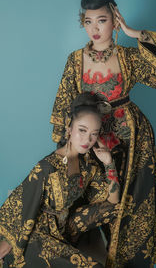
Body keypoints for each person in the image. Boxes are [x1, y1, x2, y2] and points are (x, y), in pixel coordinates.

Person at [50, 0, 156, 268]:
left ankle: (130, 262)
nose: (95, 29)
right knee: (92, 200)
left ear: (114, 20)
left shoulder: (128, 57)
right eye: (88, 22)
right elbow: (64, 105)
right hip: (90, 138)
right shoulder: (75, 60)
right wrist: (68, 151)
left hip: (131, 136)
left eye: (102, 20)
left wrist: (134, 32)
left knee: (132, 201)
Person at [0, 92, 120, 268]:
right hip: (38, 233)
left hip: (64, 228)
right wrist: (7, 244)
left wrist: (109, 163)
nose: (87, 140)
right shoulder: (48, 167)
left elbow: (112, 201)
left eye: (94, 134)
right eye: (82, 130)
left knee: (116, 208)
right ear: (69, 128)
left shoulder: (87, 167)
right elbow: (21, 204)